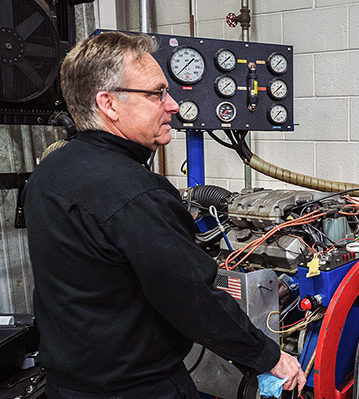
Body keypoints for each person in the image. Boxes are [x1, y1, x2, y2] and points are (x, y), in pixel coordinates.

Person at [21, 31, 305, 398]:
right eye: (157, 93)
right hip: (139, 388)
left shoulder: (50, 171)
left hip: (66, 385)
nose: (173, 105)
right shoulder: (137, 193)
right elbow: (194, 302)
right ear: (108, 103)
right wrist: (270, 358)